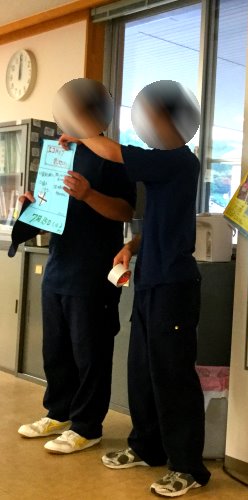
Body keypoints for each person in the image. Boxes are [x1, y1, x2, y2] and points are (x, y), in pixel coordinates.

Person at [58, 83, 210, 498]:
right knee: (142, 371)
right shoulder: (162, 165)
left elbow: (113, 152)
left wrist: (82, 131)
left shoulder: (179, 159)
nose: (146, 124)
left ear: (173, 121)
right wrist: (132, 246)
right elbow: (161, 221)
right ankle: (146, 446)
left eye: (153, 116)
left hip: (175, 286)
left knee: (173, 376)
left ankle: (188, 467)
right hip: (150, 281)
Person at [18, 142, 136, 454]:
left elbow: (126, 211)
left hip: (93, 272)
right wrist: (32, 211)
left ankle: (87, 427)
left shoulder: (111, 155)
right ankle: (58, 413)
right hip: (58, 267)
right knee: (55, 350)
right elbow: (53, 214)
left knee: (91, 353)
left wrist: (89, 195)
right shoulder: (58, 154)